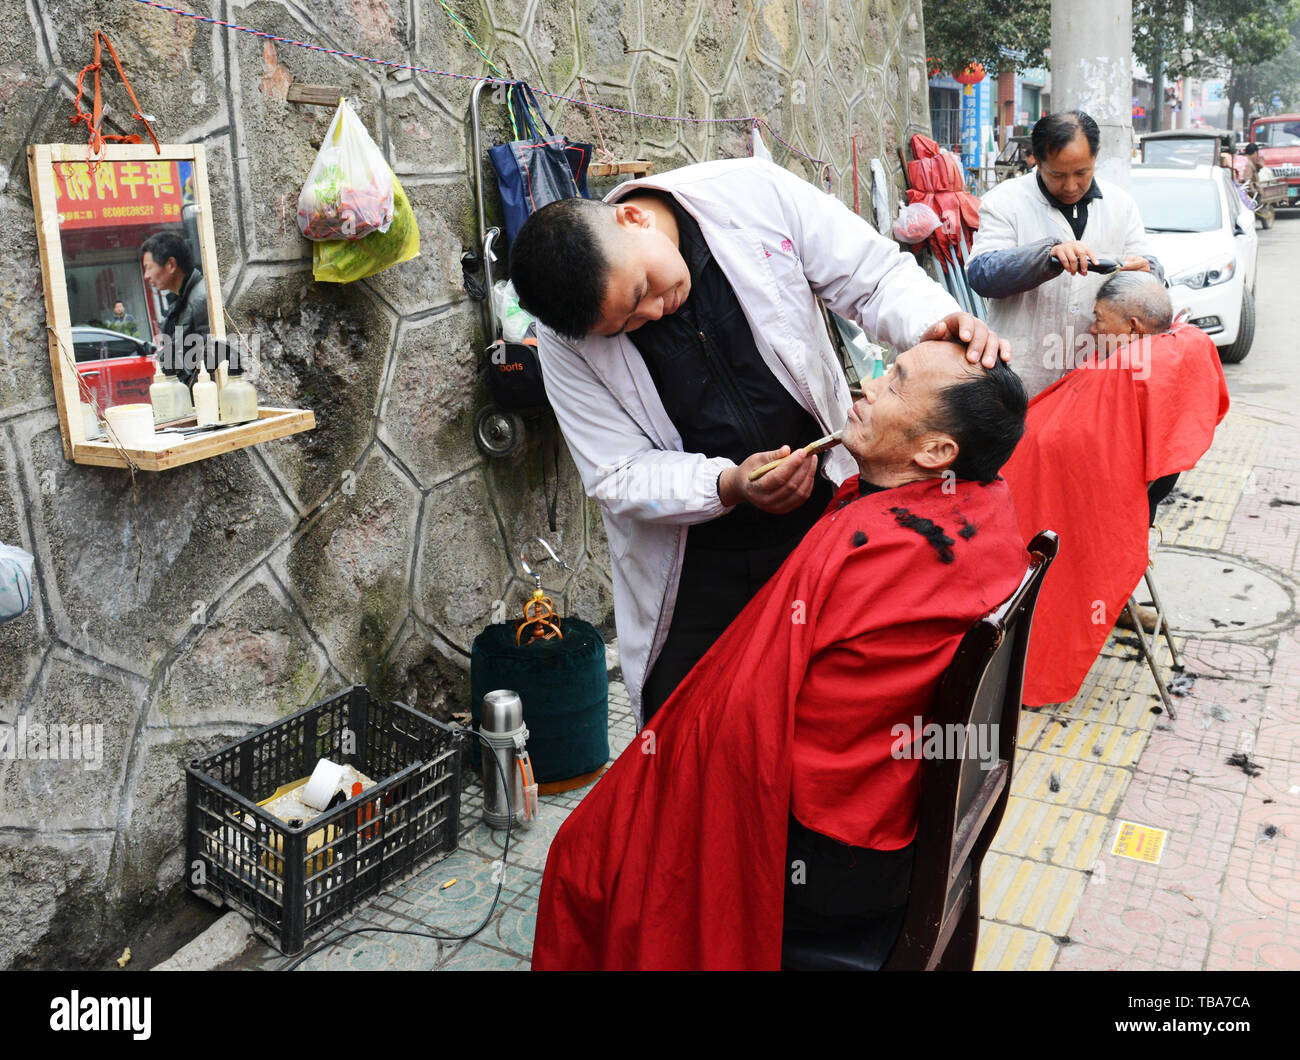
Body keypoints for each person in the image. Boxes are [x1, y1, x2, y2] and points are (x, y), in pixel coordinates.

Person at [531, 340, 1030, 970]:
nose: (869, 384)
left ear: (936, 451)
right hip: (906, 824)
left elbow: (745, 720)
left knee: (590, 854)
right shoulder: (986, 504)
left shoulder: (866, 546)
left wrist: (673, 779)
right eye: (885, 367)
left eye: (897, 382)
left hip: (832, 860)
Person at [509, 156, 1011, 727]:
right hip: (696, 559)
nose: (653, 311)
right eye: (625, 327)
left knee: (816, 710)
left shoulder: (750, 193)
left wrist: (935, 322)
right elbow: (617, 472)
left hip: (824, 519)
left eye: (643, 290)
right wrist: (728, 484)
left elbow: (873, 278)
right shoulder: (563, 341)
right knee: (689, 725)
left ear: (631, 218)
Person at [1001, 273, 1228, 707]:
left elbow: (1065, 450)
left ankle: (1044, 641)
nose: (1091, 330)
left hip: (1097, 507)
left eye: (1099, 320)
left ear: (1134, 329)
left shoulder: (1125, 374)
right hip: (1136, 493)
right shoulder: (1179, 346)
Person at [968, 110, 1163, 399]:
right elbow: (982, 273)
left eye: (1082, 173)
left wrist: (1147, 274)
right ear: (1036, 159)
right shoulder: (1005, 201)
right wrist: (1047, 256)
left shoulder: (1121, 205)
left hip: (1094, 374)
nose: (1070, 186)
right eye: (1057, 174)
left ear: (1096, 156)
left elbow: (1154, 271)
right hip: (1023, 374)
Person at [140, 230, 208, 387]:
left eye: (149, 268)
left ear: (171, 265)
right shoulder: (180, 301)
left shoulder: (200, 300)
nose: (146, 276)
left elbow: (206, 364)